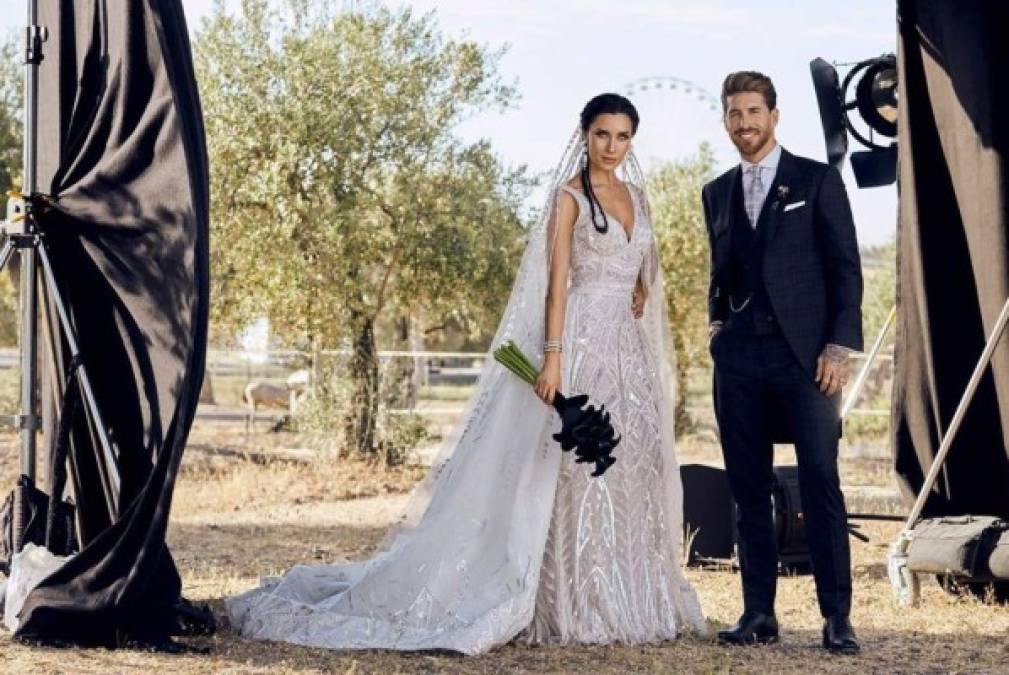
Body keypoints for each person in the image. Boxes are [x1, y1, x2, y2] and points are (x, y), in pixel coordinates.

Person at [226, 93, 706, 653]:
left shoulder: (638, 197)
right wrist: (552, 356)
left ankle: (632, 595)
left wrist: (638, 287)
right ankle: (577, 602)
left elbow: (640, 263)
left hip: (628, 354)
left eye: (623, 137)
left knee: (626, 466)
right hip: (580, 344)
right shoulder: (569, 198)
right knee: (574, 471)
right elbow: (556, 284)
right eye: (602, 135)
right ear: (585, 133)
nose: (612, 148)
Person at [702, 71, 863, 654]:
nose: (743, 123)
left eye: (753, 111)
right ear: (725, 120)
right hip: (739, 361)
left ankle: (837, 619)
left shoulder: (816, 181)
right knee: (747, 491)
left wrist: (839, 346)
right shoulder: (716, 191)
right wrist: (715, 325)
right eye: (733, 113)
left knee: (820, 483)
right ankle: (758, 615)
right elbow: (719, 273)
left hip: (808, 359)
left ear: (773, 115)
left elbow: (846, 267)